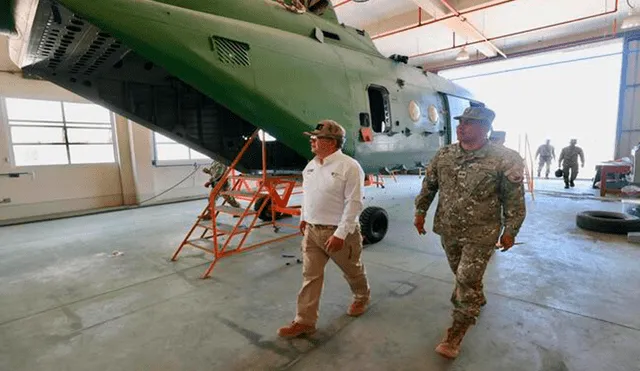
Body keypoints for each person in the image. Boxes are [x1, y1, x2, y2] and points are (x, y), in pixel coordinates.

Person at [413, 106, 526, 359]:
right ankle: (476, 295)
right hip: (449, 228)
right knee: (462, 275)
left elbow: (514, 200)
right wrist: (420, 212)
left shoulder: (505, 158)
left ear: (485, 128)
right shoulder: (445, 154)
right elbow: (429, 185)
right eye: (461, 122)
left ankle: (455, 334)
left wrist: (511, 230)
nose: (462, 126)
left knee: (464, 280)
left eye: (470, 123)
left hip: (482, 232)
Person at [278, 119, 370, 338]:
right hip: (312, 232)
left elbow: (354, 203)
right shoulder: (311, 165)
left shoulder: (349, 166)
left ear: (331, 142)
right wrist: (304, 217)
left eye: (316, 138)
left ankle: (361, 296)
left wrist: (340, 233)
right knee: (310, 276)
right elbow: (309, 194)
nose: (312, 141)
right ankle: (304, 321)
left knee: (353, 271)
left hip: (338, 233)